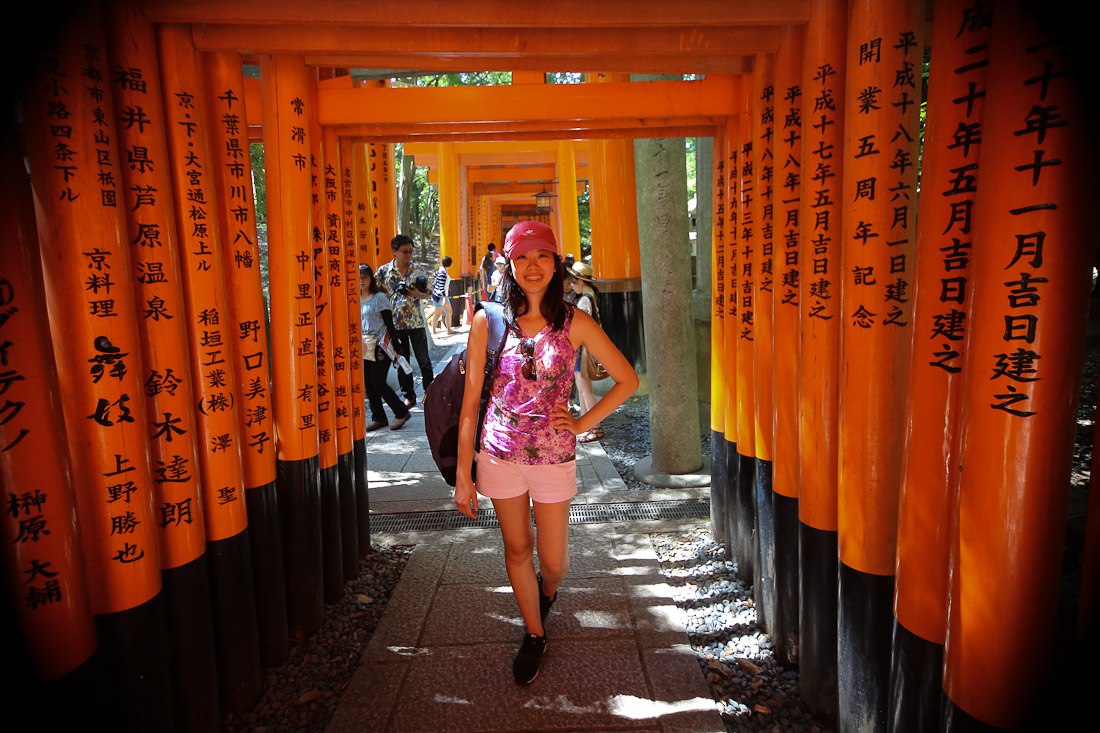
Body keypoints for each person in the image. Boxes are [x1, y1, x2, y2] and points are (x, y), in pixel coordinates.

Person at [453, 220, 639, 685]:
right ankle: (534, 633)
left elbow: (627, 379)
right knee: (517, 547)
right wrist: (463, 474)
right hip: (498, 456)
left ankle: (544, 594)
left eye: (541, 256)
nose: (532, 266)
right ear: (509, 265)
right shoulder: (488, 320)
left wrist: (580, 423)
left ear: (556, 262)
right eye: (521, 257)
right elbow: (471, 401)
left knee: (554, 563)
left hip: (554, 456)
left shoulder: (575, 321)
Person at [375, 234, 434, 407]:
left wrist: (415, 294)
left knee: (424, 360)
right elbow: (376, 292)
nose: (408, 255)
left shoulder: (417, 270)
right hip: (394, 324)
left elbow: (429, 293)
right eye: (404, 252)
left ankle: (430, 393)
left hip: (416, 323)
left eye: (410, 251)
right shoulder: (384, 272)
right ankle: (409, 395)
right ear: (394, 252)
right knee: (402, 361)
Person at [359, 264, 411, 431]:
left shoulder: (379, 297)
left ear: (371, 279)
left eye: (364, 277)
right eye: (358, 278)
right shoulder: (355, 297)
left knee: (378, 381)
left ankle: (401, 411)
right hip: (365, 343)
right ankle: (378, 417)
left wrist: (397, 345)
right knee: (369, 383)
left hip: (381, 343)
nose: (361, 281)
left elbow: (389, 323)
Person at [567, 261, 604, 442]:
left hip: (583, 348)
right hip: (588, 347)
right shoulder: (591, 296)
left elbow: (580, 328)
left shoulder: (584, 301)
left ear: (580, 281)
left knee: (584, 390)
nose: (571, 285)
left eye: (573, 282)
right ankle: (587, 426)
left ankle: (594, 428)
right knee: (584, 389)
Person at [429, 255, 454, 335]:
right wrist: (445, 299)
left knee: (448, 312)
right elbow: (441, 286)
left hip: (439, 295)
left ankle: (448, 330)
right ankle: (434, 331)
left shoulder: (441, 270)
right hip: (440, 296)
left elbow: (434, 276)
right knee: (439, 313)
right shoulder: (443, 273)